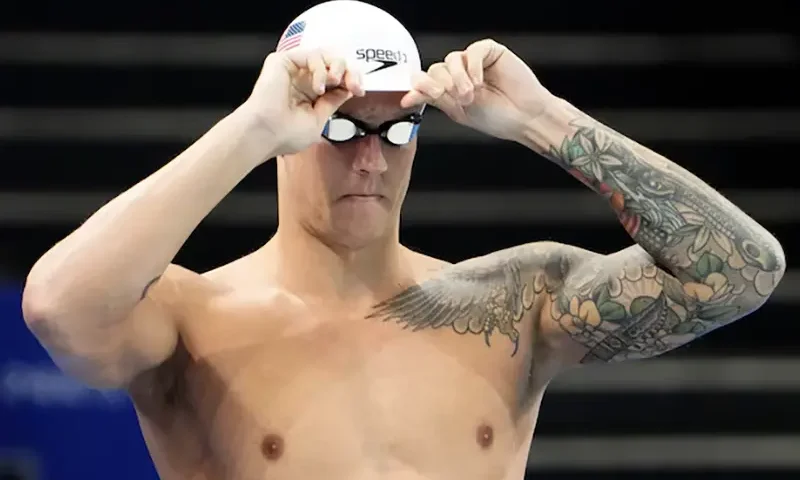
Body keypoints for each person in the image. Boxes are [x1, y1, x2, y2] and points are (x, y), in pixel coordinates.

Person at [21, 1, 785, 479]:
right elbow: (58, 308)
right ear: (294, 129)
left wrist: (540, 118)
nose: (368, 158)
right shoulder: (193, 318)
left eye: (395, 132)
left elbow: (743, 272)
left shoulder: (511, 306)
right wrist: (251, 129)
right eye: (342, 127)